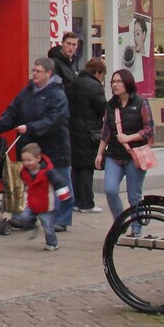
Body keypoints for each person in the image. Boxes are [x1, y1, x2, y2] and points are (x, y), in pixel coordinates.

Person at [97, 66, 155, 232]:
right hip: (114, 155)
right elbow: (106, 130)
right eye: (113, 82)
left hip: (134, 155)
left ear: (127, 83)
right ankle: (120, 223)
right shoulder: (111, 105)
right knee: (109, 190)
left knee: (134, 195)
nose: (115, 85)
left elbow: (149, 129)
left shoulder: (141, 103)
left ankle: (137, 228)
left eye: (118, 81)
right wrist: (99, 153)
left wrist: (130, 137)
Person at [0, 57, 71, 169]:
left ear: (49, 73)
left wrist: (29, 128)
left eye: (38, 71)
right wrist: (0, 124)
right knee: (30, 184)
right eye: (33, 70)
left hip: (53, 153)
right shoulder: (26, 92)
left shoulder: (58, 95)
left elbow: (53, 121)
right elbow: (13, 111)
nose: (34, 74)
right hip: (28, 152)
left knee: (59, 185)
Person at [11, 141, 73, 250]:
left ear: (38, 158)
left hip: (46, 205)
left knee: (48, 227)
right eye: (24, 160)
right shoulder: (24, 172)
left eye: (29, 160)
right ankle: (33, 225)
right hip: (31, 202)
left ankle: (52, 243)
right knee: (24, 218)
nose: (26, 163)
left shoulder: (48, 172)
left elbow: (59, 182)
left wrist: (64, 196)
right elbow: (24, 181)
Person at [67, 56, 108, 213]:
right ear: (97, 72)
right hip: (89, 131)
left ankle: (77, 201)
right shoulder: (95, 86)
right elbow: (101, 107)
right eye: (102, 74)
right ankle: (87, 203)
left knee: (76, 166)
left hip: (74, 128)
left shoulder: (75, 81)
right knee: (86, 167)